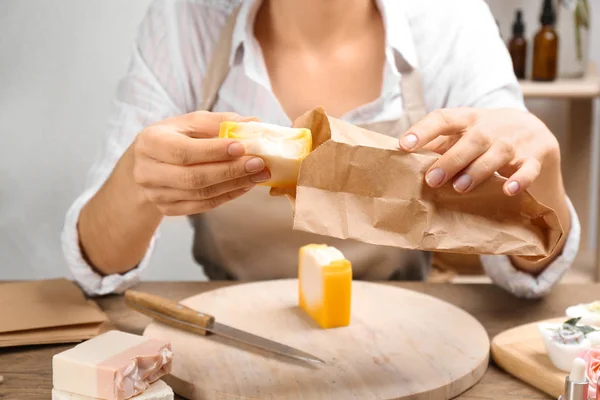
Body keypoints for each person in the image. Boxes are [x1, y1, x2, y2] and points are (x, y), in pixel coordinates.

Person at [62, 0, 579, 298]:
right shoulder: (185, 20)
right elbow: (97, 269)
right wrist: (136, 179)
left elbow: (528, 275)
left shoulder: (448, 19)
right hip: (228, 335)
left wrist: (543, 171)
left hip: (404, 338)